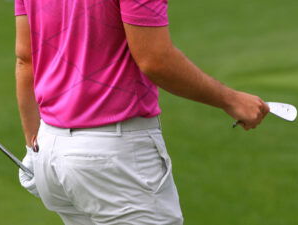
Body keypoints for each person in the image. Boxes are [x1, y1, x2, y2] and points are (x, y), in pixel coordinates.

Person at [15, 0, 269, 224]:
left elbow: (25, 59)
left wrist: (33, 148)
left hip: (51, 149)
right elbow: (154, 59)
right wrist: (231, 100)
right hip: (115, 160)